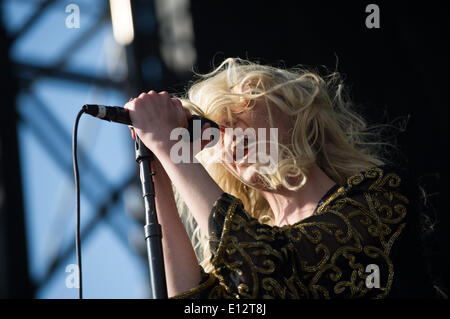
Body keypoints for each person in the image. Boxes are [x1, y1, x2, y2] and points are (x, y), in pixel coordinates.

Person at [124, 57, 435, 299]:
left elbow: (267, 269)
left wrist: (167, 143)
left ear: (293, 109)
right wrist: (160, 166)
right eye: (212, 134)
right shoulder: (242, 248)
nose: (228, 136)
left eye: (237, 113)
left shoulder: (383, 194)